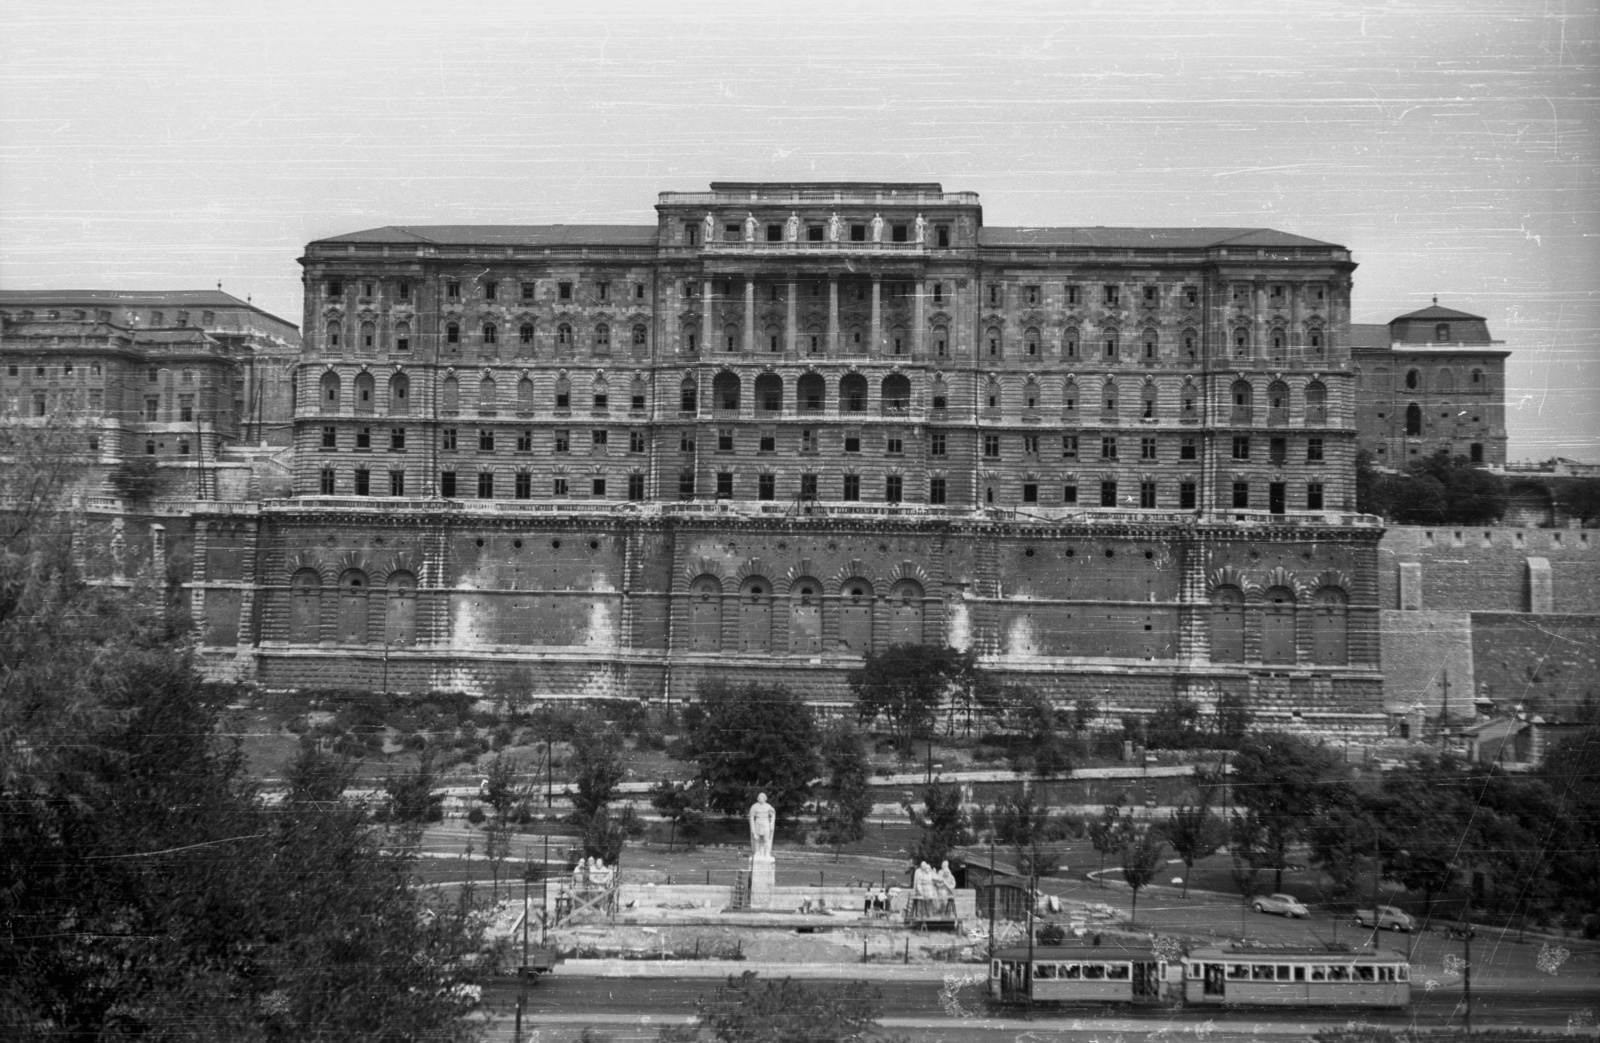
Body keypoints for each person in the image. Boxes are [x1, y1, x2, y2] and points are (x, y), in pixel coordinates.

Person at [748, 792, 776, 859]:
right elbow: (751, 817)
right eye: (760, 797)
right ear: (758, 798)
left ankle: (766, 853)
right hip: (757, 823)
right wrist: (752, 828)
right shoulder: (754, 806)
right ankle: (757, 852)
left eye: (762, 797)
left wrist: (772, 823)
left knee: (766, 839)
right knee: (756, 839)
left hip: (765, 824)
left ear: (765, 798)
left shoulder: (768, 806)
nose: (761, 798)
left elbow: (773, 814)